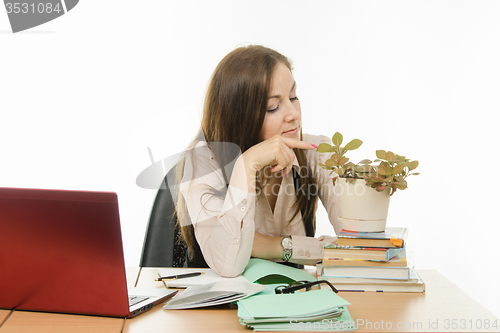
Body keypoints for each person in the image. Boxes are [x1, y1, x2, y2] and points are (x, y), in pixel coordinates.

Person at [175, 45, 341, 277]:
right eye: (273, 107)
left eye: (293, 97)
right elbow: (228, 264)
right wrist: (246, 164)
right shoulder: (203, 160)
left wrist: (263, 245)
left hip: (292, 301)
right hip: (220, 306)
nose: (294, 113)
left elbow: (361, 248)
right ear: (239, 117)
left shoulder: (316, 152)